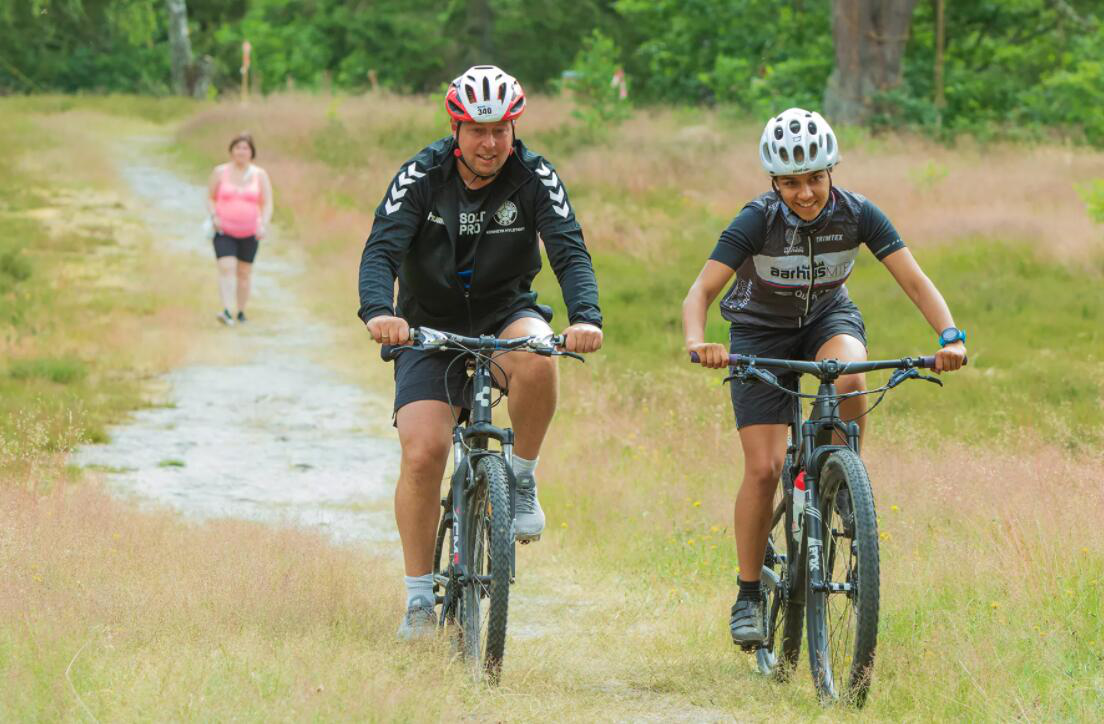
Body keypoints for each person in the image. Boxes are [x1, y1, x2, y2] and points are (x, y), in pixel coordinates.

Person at [681, 108, 967, 646]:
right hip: (759, 335)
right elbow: (698, 294)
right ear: (774, 182)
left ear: (831, 170)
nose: (805, 193)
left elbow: (914, 278)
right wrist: (700, 344)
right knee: (764, 470)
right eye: (791, 182)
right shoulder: (756, 221)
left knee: (850, 377)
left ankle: (837, 475)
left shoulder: (858, 214)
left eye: (814, 177)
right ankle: (747, 593)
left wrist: (950, 336)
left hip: (827, 320)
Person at [357, 65, 604, 639]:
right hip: (427, 326)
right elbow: (380, 251)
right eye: (477, 130)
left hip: (504, 311)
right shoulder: (421, 174)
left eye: (501, 130)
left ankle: (520, 475)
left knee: (539, 357)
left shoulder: (535, 176)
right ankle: (419, 597)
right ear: (456, 127)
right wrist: (379, 313)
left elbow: (569, 250)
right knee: (423, 454)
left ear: (514, 128)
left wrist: (585, 317)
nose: (490, 143)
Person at [207, 132, 273, 325]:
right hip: (223, 230)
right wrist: (214, 216)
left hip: (250, 231)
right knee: (226, 268)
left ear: (252, 152)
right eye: (237, 148)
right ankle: (227, 310)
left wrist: (263, 224)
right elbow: (210, 196)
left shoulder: (260, 175)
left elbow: (267, 202)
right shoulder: (220, 172)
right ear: (231, 151)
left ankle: (241, 311)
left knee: (244, 273)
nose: (241, 152)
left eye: (245, 148)